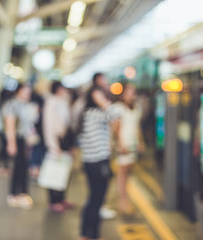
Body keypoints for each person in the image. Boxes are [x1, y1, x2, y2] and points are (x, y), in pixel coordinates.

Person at [78, 86, 120, 240]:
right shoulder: (94, 114)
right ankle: (92, 235)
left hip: (91, 161)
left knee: (93, 198)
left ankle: (85, 233)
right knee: (97, 199)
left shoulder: (87, 113)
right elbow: (116, 114)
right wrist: (102, 102)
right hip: (98, 162)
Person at [3, 83, 38, 209]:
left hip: (26, 139)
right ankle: (14, 194)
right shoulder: (13, 105)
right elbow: (10, 125)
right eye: (26, 91)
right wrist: (11, 143)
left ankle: (22, 193)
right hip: (17, 139)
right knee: (18, 167)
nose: (28, 93)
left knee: (23, 167)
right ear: (19, 91)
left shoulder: (27, 105)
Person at [42, 81, 75, 213]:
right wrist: (53, 144)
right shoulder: (51, 102)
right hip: (56, 141)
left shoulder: (63, 102)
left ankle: (61, 198)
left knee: (63, 170)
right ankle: (53, 201)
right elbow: (49, 124)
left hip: (65, 140)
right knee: (54, 171)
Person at [115, 82, 146, 215]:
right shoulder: (118, 108)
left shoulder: (136, 107)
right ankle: (123, 201)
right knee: (123, 172)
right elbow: (116, 128)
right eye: (129, 92)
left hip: (132, 144)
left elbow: (137, 126)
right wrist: (120, 143)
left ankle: (124, 198)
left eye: (133, 92)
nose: (131, 95)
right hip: (124, 144)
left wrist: (140, 141)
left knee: (128, 172)